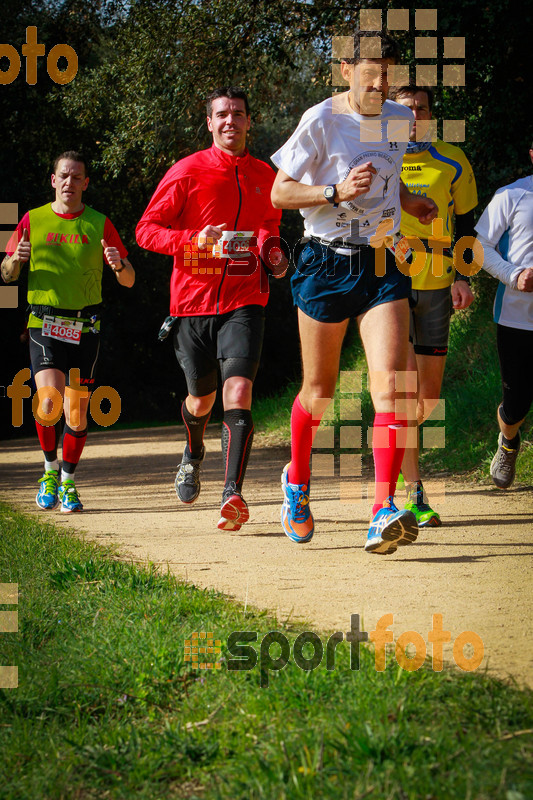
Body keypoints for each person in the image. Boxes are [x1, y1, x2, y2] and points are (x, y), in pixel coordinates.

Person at [271, 29, 437, 555]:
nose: (380, 82)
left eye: (388, 72)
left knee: (390, 388)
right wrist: (335, 191)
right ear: (346, 70)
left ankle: (383, 508)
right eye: (370, 72)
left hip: (383, 262)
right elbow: (280, 191)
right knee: (317, 392)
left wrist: (408, 202)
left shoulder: (398, 118)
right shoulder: (320, 120)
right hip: (324, 262)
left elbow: (389, 178)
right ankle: (297, 486)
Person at [136, 87, 285, 532]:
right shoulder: (187, 171)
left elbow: (268, 225)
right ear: (209, 123)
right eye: (221, 114)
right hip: (192, 304)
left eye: (238, 114)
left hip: (245, 300)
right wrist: (192, 239)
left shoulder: (265, 174)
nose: (230, 122)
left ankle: (232, 495)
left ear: (249, 121)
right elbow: (146, 231)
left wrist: (271, 251)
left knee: (237, 392)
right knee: (200, 400)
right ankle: (193, 451)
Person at [2, 151, 135, 512]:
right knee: (48, 403)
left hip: (85, 327)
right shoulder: (33, 220)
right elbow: (5, 274)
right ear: (53, 180)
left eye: (77, 177)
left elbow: (129, 279)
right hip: (44, 323)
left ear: (85, 183)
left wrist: (118, 264)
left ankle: (69, 483)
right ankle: (48, 471)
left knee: (76, 413)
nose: (69, 183)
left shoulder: (99, 223)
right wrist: (16, 259)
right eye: (64, 176)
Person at [388, 84, 478, 526]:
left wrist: (463, 274)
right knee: (402, 390)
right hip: (391, 282)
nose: (415, 115)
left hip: (439, 280)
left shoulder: (452, 159)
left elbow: (467, 221)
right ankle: (414, 492)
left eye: (421, 108)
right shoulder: (381, 157)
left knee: (427, 400)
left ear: (430, 114)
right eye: (406, 109)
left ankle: (398, 462)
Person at [475, 142, 533, 489]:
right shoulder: (513, 195)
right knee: (516, 404)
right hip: (517, 317)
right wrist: (514, 275)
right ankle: (509, 441)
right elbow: (477, 246)